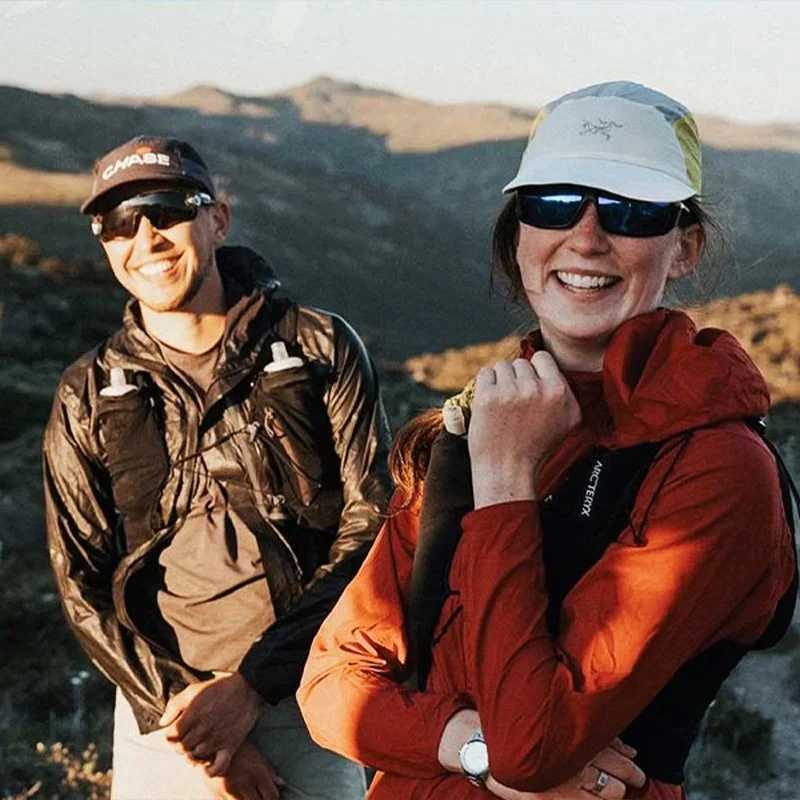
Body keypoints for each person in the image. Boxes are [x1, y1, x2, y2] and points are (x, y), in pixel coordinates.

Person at [296, 81, 798, 800]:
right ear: (519, 234)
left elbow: (532, 744)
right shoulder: (475, 425)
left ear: (683, 247)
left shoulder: (717, 469)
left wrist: (505, 481)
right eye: (554, 202)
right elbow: (328, 685)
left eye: (631, 210)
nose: (586, 237)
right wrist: (472, 750)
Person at [43, 135, 391, 800]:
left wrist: (253, 686)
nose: (146, 239)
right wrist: (193, 724)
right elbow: (80, 580)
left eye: (167, 211)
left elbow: (372, 524)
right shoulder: (87, 392)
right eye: (118, 223)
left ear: (218, 219)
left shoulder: (319, 347)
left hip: (307, 697)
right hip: (161, 714)